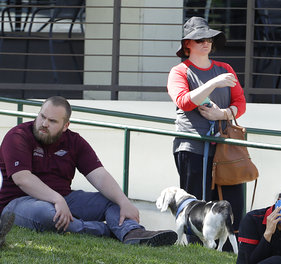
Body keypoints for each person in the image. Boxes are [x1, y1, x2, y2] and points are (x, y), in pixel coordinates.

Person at [0, 96, 177, 246]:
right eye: (42, 116)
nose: (44, 124)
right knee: (48, 215)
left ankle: (133, 234)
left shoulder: (74, 142)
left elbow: (99, 175)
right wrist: (56, 199)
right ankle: (107, 231)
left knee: (112, 200)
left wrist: (124, 202)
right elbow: (22, 178)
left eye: (52, 121)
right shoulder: (18, 136)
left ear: (65, 125)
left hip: (66, 199)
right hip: (18, 202)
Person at [167, 16, 247, 250]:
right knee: (197, 202)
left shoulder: (225, 69)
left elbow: (240, 103)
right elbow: (183, 101)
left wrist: (222, 114)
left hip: (225, 148)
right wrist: (213, 84)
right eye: (199, 39)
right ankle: (196, 250)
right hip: (193, 147)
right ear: (187, 44)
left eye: (209, 38)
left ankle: (231, 252)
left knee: (232, 203)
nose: (206, 43)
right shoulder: (179, 71)